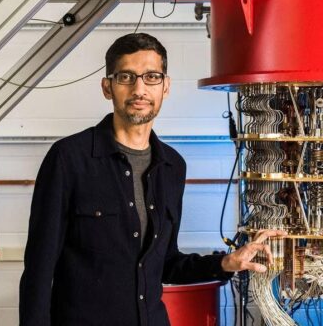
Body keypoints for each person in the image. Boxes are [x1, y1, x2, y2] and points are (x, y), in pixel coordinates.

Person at [19, 32, 285, 325]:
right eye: (126, 77)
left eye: (151, 77)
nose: (139, 89)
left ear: (166, 87)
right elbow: (39, 270)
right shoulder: (69, 158)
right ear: (108, 87)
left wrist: (226, 263)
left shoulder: (172, 167)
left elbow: (166, 263)